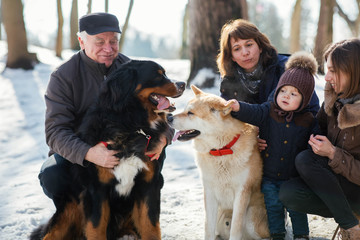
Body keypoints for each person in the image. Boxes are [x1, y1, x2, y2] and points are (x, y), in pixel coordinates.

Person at [39, 12, 169, 203]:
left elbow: (160, 112)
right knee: (52, 175)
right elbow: (55, 131)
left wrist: (165, 137)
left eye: (113, 41)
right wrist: (88, 153)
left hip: (125, 150)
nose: (108, 49)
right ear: (81, 42)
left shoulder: (132, 70)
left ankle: (132, 213)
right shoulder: (63, 77)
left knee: (156, 147)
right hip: (80, 154)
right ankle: (78, 215)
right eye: (99, 42)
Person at [229, 51, 320, 240]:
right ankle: (277, 233)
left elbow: (317, 139)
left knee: (296, 207)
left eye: (294, 94)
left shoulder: (308, 120)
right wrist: (238, 107)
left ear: (304, 100)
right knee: (272, 204)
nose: (286, 96)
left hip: (294, 177)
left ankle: (301, 234)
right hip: (269, 176)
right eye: (283, 91)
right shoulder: (268, 111)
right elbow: (253, 112)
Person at [279, 39, 360, 240]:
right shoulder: (333, 101)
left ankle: (351, 227)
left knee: (306, 160)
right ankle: (352, 222)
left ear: (353, 70)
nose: (327, 78)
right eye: (327, 70)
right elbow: (313, 131)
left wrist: (333, 153)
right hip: (339, 183)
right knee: (289, 192)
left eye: (333, 71)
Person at [216, 18, 319, 112]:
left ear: (260, 47)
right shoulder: (229, 80)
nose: (245, 52)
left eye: (249, 45)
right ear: (231, 56)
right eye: (237, 49)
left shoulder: (287, 69)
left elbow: (313, 110)